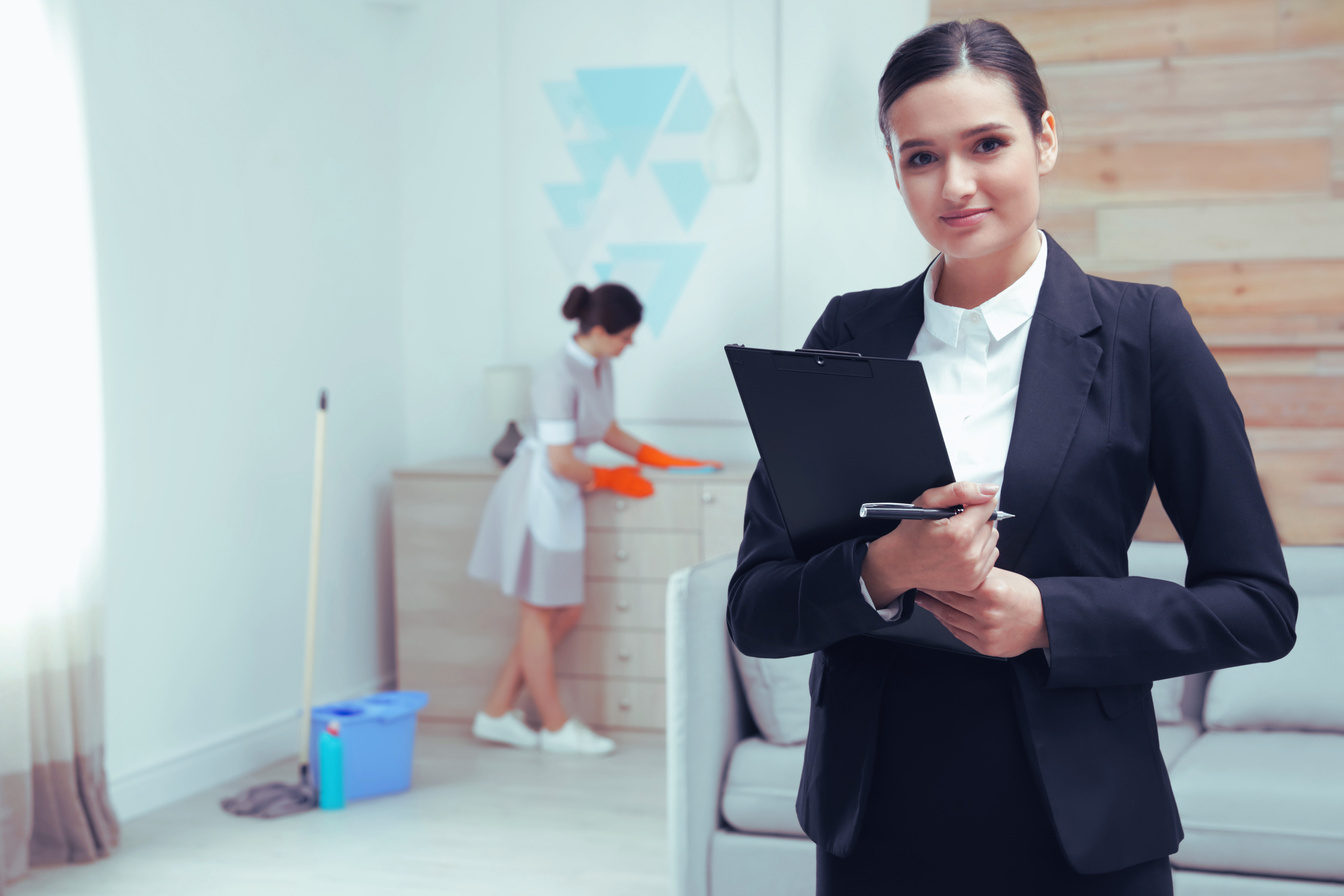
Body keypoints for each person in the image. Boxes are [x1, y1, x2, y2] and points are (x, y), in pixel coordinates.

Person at [727, 19, 1296, 895]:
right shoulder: (850, 332)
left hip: (1082, 824)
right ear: (895, 169)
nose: (955, 184)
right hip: (876, 818)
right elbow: (758, 608)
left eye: (987, 143)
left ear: (1045, 140)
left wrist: (1050, 616)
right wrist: (881, 571)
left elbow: (1257, 606)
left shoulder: (1147, 333)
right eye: (920, 157)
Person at [469, 282, 721, 755]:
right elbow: (562, 460)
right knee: (538, 611)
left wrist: (657, 457)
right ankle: (556, 725)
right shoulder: (555, 376)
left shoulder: (599, 368)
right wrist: (612, 478)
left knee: (564, 610)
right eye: (626, 337)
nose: (630, 346)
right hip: (541, 494)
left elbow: (603, 428)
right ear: (601, 330)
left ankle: (498, 710)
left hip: (566, 496)